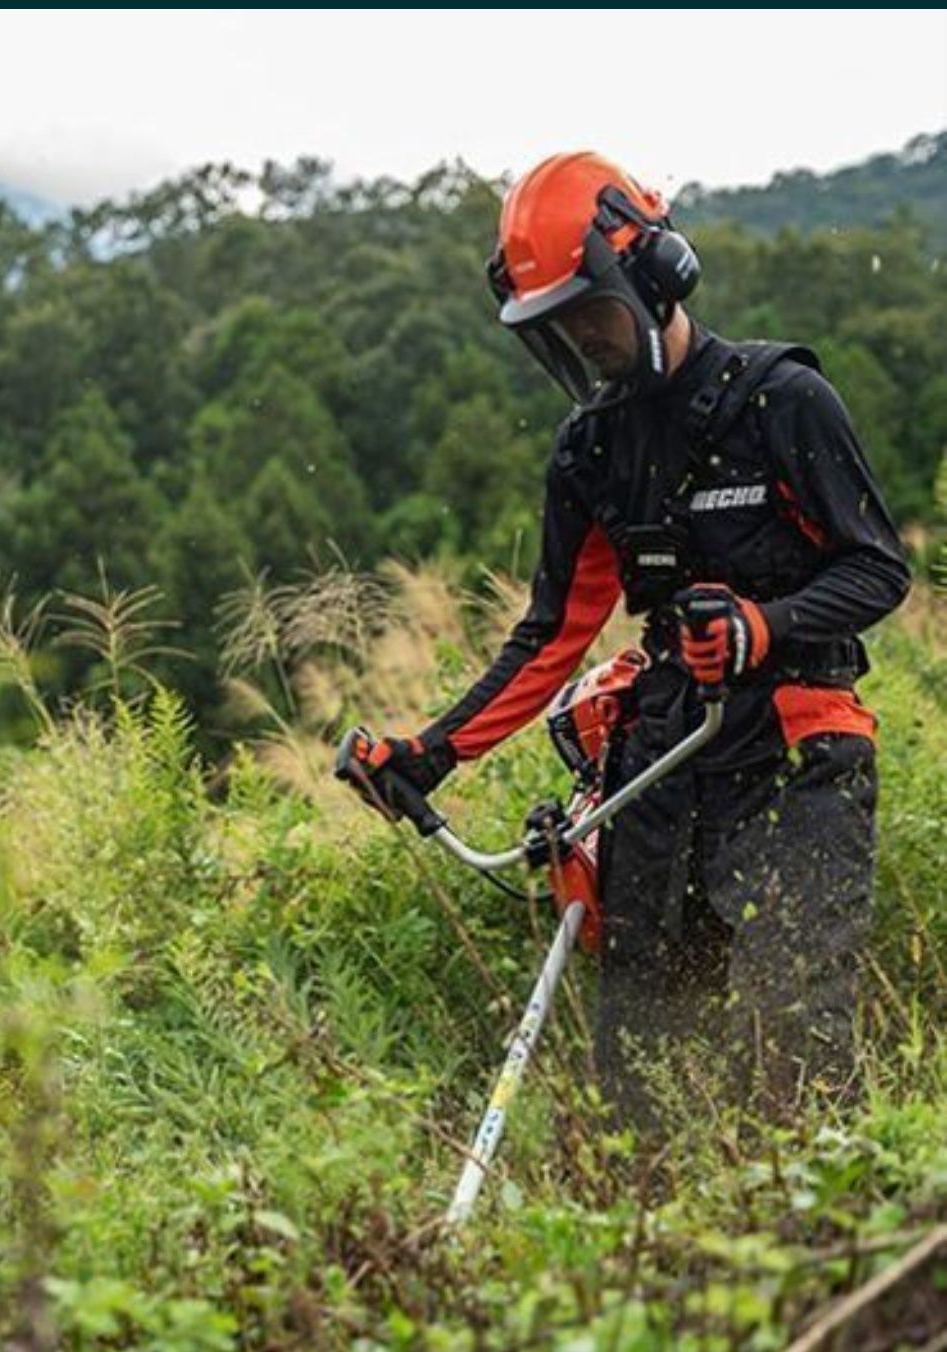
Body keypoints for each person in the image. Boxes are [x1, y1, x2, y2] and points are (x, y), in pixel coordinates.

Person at [356, 151, 911, 1128]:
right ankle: (651, 1258)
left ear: (654, 275)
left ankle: (841, 1252)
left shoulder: (780, 401)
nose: (586, 344)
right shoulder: (592, 449)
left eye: (594, 317)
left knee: (795, 1054)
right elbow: (552, 633)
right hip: (662, 766)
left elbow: (878, 570)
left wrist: (763, 626)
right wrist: (429, 754)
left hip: (798, 747)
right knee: (646, 1078)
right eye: (559, 331)